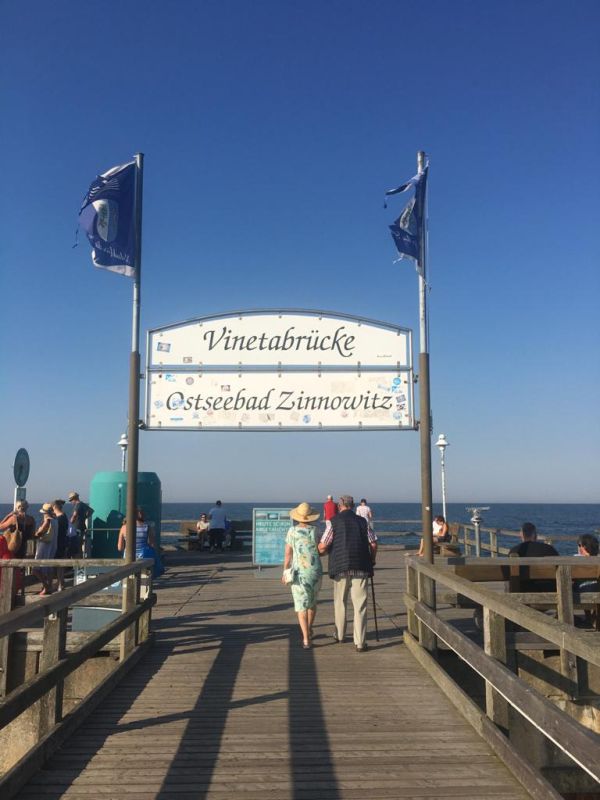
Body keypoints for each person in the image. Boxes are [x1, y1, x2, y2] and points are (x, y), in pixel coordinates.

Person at [318, 495, 377, 652]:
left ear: (340, 505)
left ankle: (340, 635)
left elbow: (323, 545)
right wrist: (372, 560)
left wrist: (318, 551)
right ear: (353, 505)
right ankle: (360, 642)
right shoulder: (362, 521)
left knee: (340, 602)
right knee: (360, 606)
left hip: (340, 567)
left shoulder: (334, 522)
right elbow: (373, 543)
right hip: (361, 565)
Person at [282, 502, 323, 649]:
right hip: (316, 570)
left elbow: (288, 554)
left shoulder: (292, 531)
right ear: (310, 517)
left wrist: (285, 570)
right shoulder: (316, 530)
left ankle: (306, 639)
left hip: (299, 572)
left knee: (301, 605)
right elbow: (321, 549)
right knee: (312, 602)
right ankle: (310, 629)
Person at [508, 522, 558, 593]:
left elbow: (508, 574)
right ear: (535, 535)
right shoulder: (549, 549)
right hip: (549, 592)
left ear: (521, 535)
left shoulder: (514, 551)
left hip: (522, 593)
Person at [117, 508, 163, 577]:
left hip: (128, 556)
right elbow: (152, 544)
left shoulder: (123, 528)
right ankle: (152, 576)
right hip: (144, 555)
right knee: (153, 554)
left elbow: (120, 548)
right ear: (142, 515)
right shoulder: (147, 527)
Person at [34, 503, 58, 595]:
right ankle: (49, 586)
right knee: (48, 568)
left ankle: (46, 586)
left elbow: (40, 533)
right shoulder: (55, 520)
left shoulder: (48, 521)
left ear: (45, 513)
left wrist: (35, 533)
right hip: (52, 546)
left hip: (44, 546)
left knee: (36, 569)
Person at [68, 492, 93, 557]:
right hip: (82, 527)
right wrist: (85, 516)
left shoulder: (77, 505)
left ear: (74, 498)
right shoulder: (83, 504)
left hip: (77, 528)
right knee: (79, 545)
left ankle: (78, 562)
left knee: (77, 546)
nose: (71, 502)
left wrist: (69, 524)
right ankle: (81, 560)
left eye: (71, 500)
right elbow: (91, 511)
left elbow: (74, 515)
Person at [53, 500, 69, 590]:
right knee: (60, 564)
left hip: (59, 543)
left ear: (54, 507)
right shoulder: (64, 516)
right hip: (63, 541)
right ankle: (60, 582)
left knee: (58, 564)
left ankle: (60, 583)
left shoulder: (59, 518)